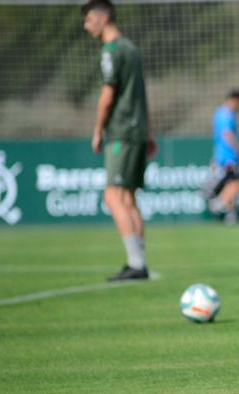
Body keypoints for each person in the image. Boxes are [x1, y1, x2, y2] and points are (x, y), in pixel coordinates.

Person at [82, 0, 156, 281]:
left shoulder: (111, 51)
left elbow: (108, 93)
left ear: (102, 18)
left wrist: (98, 129)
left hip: (121, 132)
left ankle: (136, 263)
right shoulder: (132, 48)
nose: (86, 26)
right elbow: (140, 94)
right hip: (136, 129)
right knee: (128, 196)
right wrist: (148, 130)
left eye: (88, 19)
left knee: (112, 195)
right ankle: (139, 262)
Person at [208, 90, 239, 225]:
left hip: (224, 156)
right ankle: (218, 203)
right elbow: (227, 134)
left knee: (230, 184)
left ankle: (230, 215)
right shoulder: (226, 115)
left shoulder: (220, 113)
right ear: (235, 100)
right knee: (238, 184)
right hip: (228, 157)